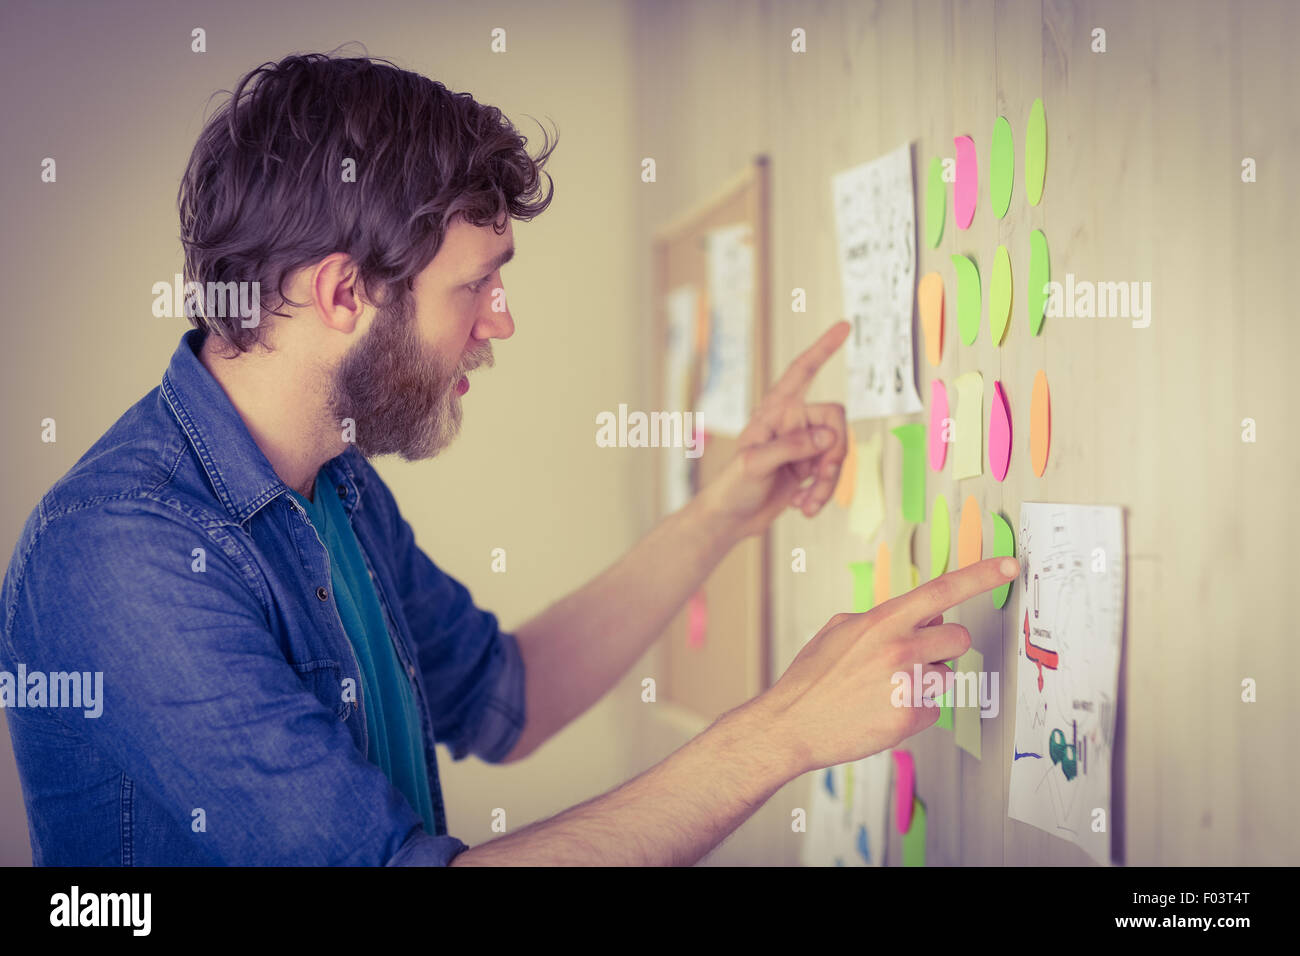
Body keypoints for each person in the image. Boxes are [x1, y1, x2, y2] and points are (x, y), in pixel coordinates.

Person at [0, 51, 1016, 866]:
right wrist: (783, 728)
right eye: (475, 286)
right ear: (344, 294)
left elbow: (504, 694)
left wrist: (725, 510)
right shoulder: (118, 556)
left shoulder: (335, 481)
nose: (502, 320)